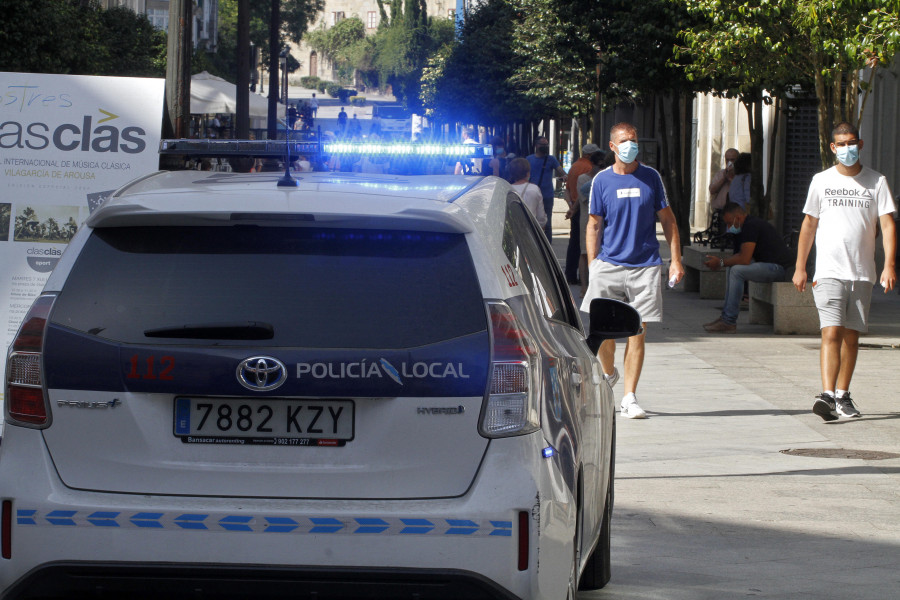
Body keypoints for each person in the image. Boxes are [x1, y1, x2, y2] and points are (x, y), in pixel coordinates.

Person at [580, 122, 685, 419]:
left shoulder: (650, 177)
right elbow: (594, 224)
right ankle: (609, 372)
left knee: (638, 330)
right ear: (612, 146)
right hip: (609, 264)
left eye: (634, 140)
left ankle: (629, 396)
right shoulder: (601, 181)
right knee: (604, 332)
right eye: (625, 141)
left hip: (646, 265)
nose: (631, 145)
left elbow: (669, 220)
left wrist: (675, 259)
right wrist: (593, 265)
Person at [793, 121, 897, 421]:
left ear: (860, 144)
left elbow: (888, 225)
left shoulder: (876, 182)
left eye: (852, 142)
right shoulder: (821, 181)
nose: (847, 148)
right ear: (833, 147)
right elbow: (809, 224)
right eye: (842, 144)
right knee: (831, 332)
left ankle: (842, 395)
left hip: (862, 272)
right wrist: (801, 267)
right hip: (828, 271)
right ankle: (826, 394)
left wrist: (889, 265)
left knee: (852, 337)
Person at [702, 202, 794, 333]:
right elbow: (738, 257)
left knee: (736, 270)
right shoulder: (741, 229)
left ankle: (729, 321)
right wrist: (723, 263)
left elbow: (744, 259)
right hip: (766, 266)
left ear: (738, 218)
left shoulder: (751, 226)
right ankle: (725, 317)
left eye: (729, 223)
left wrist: (720, 262)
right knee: (732, 268)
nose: (728, 227)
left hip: (778, 269)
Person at [565, 143, 602, 284]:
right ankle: (585, 279)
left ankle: (571, 275)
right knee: (585, 248)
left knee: (574, 244)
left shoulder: (574, 166)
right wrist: (574, 208)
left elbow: (568, 189)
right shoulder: (587, 169)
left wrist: (571, 207)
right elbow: (584, 192)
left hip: (577, 207)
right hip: (584, 209)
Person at [575, 151, 607, 296]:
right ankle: (584, 286)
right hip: (587, 220)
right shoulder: (583, 179)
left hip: (605, 221)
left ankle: (599, 285)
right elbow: (584, 199)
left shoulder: (606, 178)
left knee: (602, 253)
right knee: (584, 253)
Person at [527, 137, 567, 238]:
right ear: (536, 145)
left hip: (547, 195)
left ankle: (547, 244)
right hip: (532, 195)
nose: (545, 147)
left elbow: (561, 172)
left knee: (547, 222)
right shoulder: (529, 159)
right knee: (531, 219)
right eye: (542, 145)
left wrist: (564, 177)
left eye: (546, 145)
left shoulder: (551, 159)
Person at [508, 157, 548, 229]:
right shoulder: (534, 189)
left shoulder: (507, 189)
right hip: (530, 232)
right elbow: (541, 217)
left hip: (512, 231)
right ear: (528, 173)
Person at [708, 148, 740, 213]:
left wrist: (732, 178)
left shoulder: (741, 175)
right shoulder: (720, 174)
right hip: (720, 211)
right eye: (727, 160)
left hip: (735, 211)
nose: (729, 162)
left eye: (732, 160)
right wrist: (724, 178)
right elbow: (712, 190)